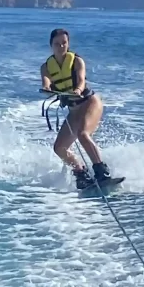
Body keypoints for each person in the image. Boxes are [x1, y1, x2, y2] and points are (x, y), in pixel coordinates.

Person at [40, 28, 114, 190]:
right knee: (59, 148)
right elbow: (46, 82)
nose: (61, 47)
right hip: (73, 111)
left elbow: (80, 81)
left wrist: (78, 90)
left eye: (64, 43)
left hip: (89, 103)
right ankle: (81, 173)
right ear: (51, 45)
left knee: (82, 134)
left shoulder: (77, 61)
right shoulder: (46, 67)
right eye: (57, 44)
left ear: (68, 44)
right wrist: (46, 88)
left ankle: (102, 172)